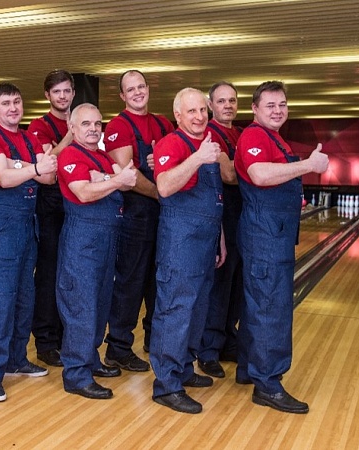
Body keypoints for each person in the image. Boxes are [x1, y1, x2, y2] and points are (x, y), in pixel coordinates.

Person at [234, 80, 328, 414]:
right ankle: (268, 384)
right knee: (271, 307)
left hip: (273, 234)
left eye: (282, 104)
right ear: (255, 109)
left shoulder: (274, 138)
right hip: (265, 236)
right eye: (270, 105)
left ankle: (249, 369)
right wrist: (308, 165)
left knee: (258, 304)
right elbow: (260, 174)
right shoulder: (254, 136)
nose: (277, 111)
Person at [0, 82, 58, 402]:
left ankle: (16, 359)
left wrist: (18, 165)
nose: (13, 108)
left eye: (17, 102)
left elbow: (49, 176)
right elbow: (4, 177)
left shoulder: (28, 137)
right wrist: (31, 167)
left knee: (25, 298)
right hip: (0, 229)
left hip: (26, 227)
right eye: (6, 103)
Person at [149, 88, 224, 414]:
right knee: (176, 309)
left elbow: (214, 198)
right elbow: (165, 186)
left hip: (206, 239)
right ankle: (166, 385)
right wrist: (197, 158)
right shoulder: (172, 144)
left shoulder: (207, 143)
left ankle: (183, 367)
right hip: (180, 241)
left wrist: (219, 239)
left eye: (203, 110)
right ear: (178, 115)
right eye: (191, 111)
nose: (199, 116)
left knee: (197, 308)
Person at [56, 103, 137, 400]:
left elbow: (128, 181)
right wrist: (111, 179)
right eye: (86, 124)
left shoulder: (102, 156)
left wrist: (100, 177)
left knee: (101, 302)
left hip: (107, 237)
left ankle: (90, 359)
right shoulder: (70, 154)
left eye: (97, 124)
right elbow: (83, 191)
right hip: (83, 239)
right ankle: (76, 374)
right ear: (72, 128)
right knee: (82, 305)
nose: (93, 129)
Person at [104, 70, 174, 373]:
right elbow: (128, 175)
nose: (137, 92)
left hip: (163, 215)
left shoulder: (164, 124)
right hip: (135, 215)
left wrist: (162, 165)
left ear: (148, 88)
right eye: (130, 89)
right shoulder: (118, 126)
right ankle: (118, 348)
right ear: (122, 95)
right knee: (130, 283)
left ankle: (154, 340)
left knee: (158, 283)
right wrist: (160, 191)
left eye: (141, 86)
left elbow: (175, 161)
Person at [28, 70, 75, 368]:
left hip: (76, 205)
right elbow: (48, 165)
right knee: (48, 274)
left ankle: (65, 335)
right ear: (47, 95)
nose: (62, 96)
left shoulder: (84, 121)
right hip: (50, 206)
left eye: (67, 91)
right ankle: (45, 341)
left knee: (70, 274)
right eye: (57, 91)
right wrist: (71, 136)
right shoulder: (39, 126)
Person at [198, 81, 242, 379]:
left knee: (235, 285)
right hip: (221, 216)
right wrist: (253, 168)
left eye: (232, 100)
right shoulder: (211, 134)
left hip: (240, 217)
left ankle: (227, 339)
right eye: (222, 101)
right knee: (219, 285)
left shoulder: (239, 133)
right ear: (211, 105)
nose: (228, 105)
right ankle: (208, 350)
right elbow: (229, 175)